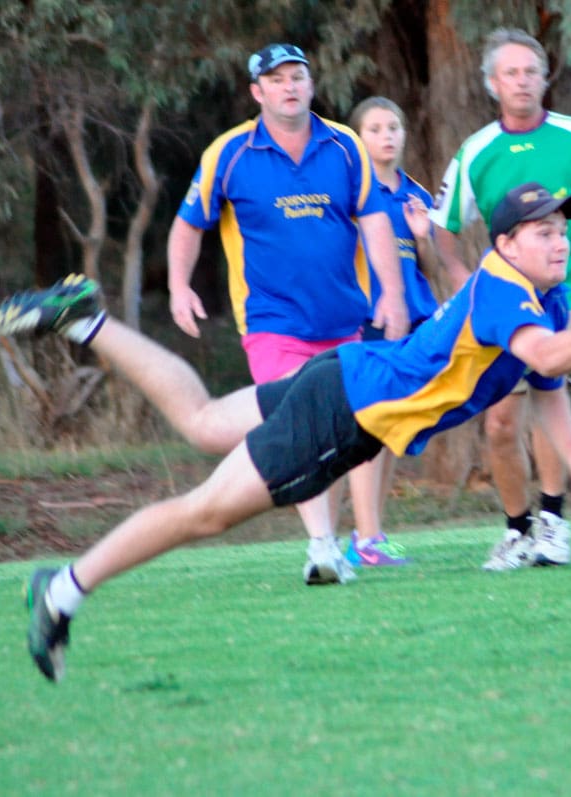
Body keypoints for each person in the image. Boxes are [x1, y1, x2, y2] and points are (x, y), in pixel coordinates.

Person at [0, 182, 571, 683]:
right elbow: (547, 358)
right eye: (545, 230)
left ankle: (83, 318)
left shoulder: (539, 296)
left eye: (565, 226)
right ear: (508, 241)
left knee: (202, 419)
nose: (561, 238)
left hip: (347, 377)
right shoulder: (501, 288)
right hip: (347, 411)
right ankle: (62, 589)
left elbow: (545, 388)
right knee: (204, 512)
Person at [166, 43, 409, 585]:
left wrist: (392, 296)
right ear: (258, 93)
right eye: (276, 80)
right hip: (272, 324)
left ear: (311, 84)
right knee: (298, 427)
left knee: (345, 432)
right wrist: (179, 286)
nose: (289, 86)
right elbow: (188, 224)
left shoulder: (345, 145)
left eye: (297, 76)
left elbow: (374, 223)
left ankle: (341, 540)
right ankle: (321, 546)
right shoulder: (228, 154)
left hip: (344, 321)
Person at [429, 27, 571, 571]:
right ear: (492, 84)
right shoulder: (477, 151)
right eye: (511, 73)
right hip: (509, 300)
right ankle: (517, 528)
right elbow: (443, 227)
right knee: (501, 422)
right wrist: (459, 273)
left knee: (545, 380)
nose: (522, 81)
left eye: (531, 71)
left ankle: (553, 522)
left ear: (545, 79)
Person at [339, 96, 442, 568]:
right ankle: (366, 538)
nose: (387, 135)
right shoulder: (349, 189)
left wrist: (426, 237)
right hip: (369, 320)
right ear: (358, 138)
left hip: (414, 323)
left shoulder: (415, 193)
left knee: (395, 429)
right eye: (376, 128)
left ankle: (371, 533)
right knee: (371, 426)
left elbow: (435, 267)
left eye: (394, 126)